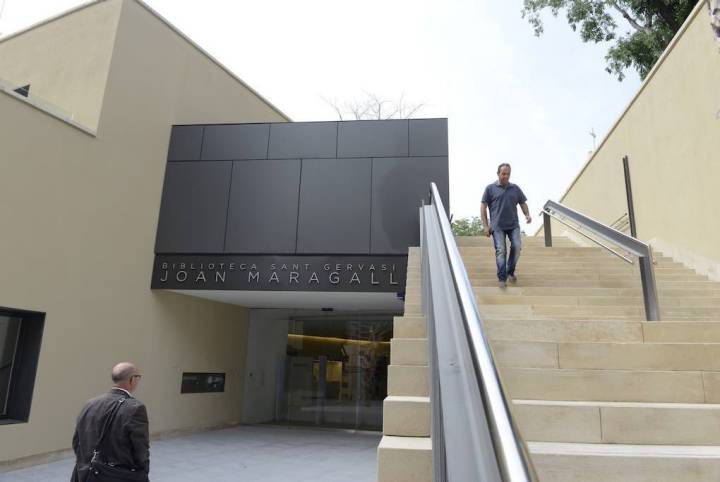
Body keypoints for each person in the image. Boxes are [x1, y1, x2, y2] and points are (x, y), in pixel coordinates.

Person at [71, 362, 150, 482]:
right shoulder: (135, 408)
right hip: (117, 476)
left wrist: (85, 465)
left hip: (86, 474)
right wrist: (142, 473)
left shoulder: (90, 404)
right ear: (132, 379)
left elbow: (77, 441)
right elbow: (140, 450)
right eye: (138, 377)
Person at [481, 163, 531, 288]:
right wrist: (486, 226)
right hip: (497, 226)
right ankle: (502, 278)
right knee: (501, 251)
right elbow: (483, 207)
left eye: (508, 174)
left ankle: (510, 272)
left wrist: (527, 214)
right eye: (503, 174)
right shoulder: (490, 188)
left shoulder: (515, 188)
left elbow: (522, 202)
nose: (506, 176)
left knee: (517, 246)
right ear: (498, 174)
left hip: (513, 225)